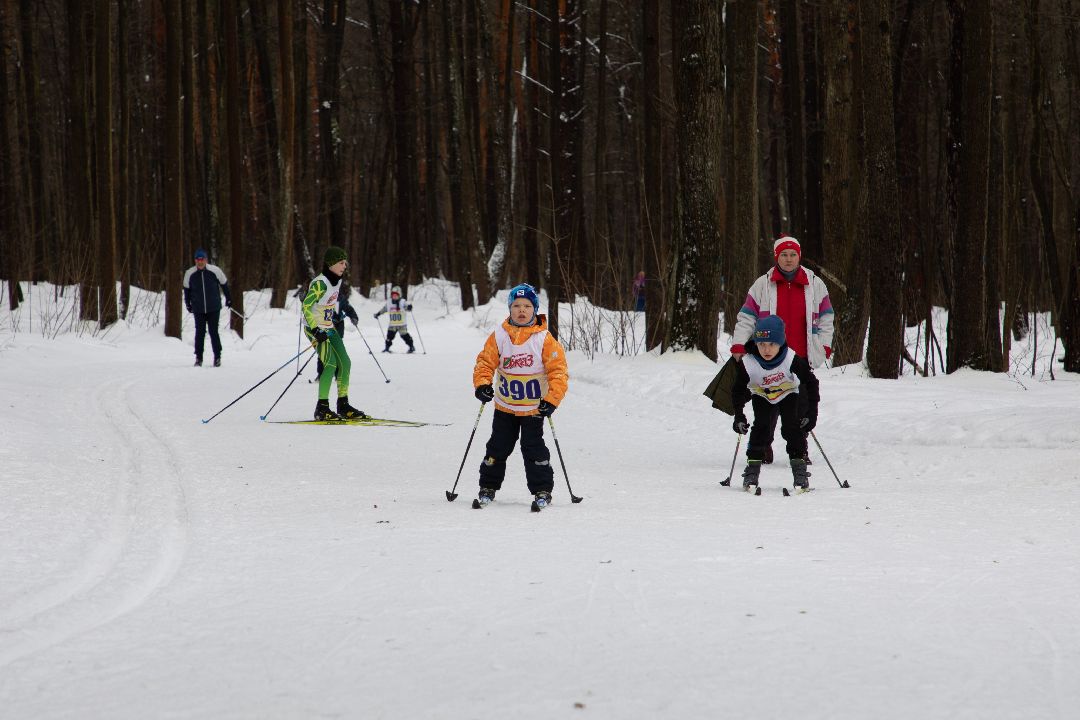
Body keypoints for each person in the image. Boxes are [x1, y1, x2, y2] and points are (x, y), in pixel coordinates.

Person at [729, 235, 833, 462]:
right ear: (777, 257)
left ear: (799, 256)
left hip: (801, 354)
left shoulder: (815, 283)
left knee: (799, 405)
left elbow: (826, 317)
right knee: (767, 403)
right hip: (768, 354)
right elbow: (747, 317)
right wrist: (739, 344)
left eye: (793, 255)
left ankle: (800, 449)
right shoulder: (762, 284)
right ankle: (762, 446)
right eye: (784, 255)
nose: (788, 259)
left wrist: (824, 346)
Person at [471, 284, 569, 509]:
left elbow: (558, 371)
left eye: (527, 306)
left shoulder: (544, 339)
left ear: (534, 309)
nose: (521, 310)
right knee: (497, 446)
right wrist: (482, 385)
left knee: (533, 448)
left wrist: (552, 400)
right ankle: (488, 486)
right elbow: (485, 362)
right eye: (516, 305)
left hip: (534, 408)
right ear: (509, 308)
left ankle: (542, 489)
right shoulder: (500, 335)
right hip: (505, 407)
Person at [731, 315, 820, 492]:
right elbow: (737, 391)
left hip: (788, 393)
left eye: (772, 344)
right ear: (755, 343)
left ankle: (800, 471)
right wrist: (739, 416)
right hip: (762, 395)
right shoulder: (748, 363)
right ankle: (752, 471)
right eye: (762, 344)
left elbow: (811, 383)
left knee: (791, 428)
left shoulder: (791, 359)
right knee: (761, 427)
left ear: (780, 343)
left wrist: (811, 414)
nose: (767, 349)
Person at [302, 246, 365, 421]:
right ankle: (321, 408)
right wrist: (315, 329)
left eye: (345, 262)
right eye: (341, 262)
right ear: (331, 264)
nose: (345, 265)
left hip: (329, 327)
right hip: (314, 328)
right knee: (329, 363)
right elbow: (306, 306)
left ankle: (343, 405)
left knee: (345, 362)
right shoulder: (320, 283)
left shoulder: (336, 280)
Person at [183, 248, 232, 367]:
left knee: (213, 331)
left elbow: (224, 284)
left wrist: (229, 298)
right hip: (198, 308)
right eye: (198, 260)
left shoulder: (215, 271)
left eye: (202, 259)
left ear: (206, 260)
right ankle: (199, 358)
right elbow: (187, 290)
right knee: (200, 332)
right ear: (195, 260)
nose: (200, 262)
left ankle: (217, 357)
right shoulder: (190, 273)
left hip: (213, 307)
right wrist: (188, 303)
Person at [373, 285, 416, 353]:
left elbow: (407, 307)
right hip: (392, 324)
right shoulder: (389, 302)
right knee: (389, 336)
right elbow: (384, 309)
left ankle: (411, 347)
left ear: (399, 295)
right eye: (393, 295)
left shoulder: (403, 302)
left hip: (402, 324)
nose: (394, 296)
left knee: (404, 335)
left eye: (396, 295)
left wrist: (409, 307)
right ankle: (387, 348)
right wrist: (378, 314)